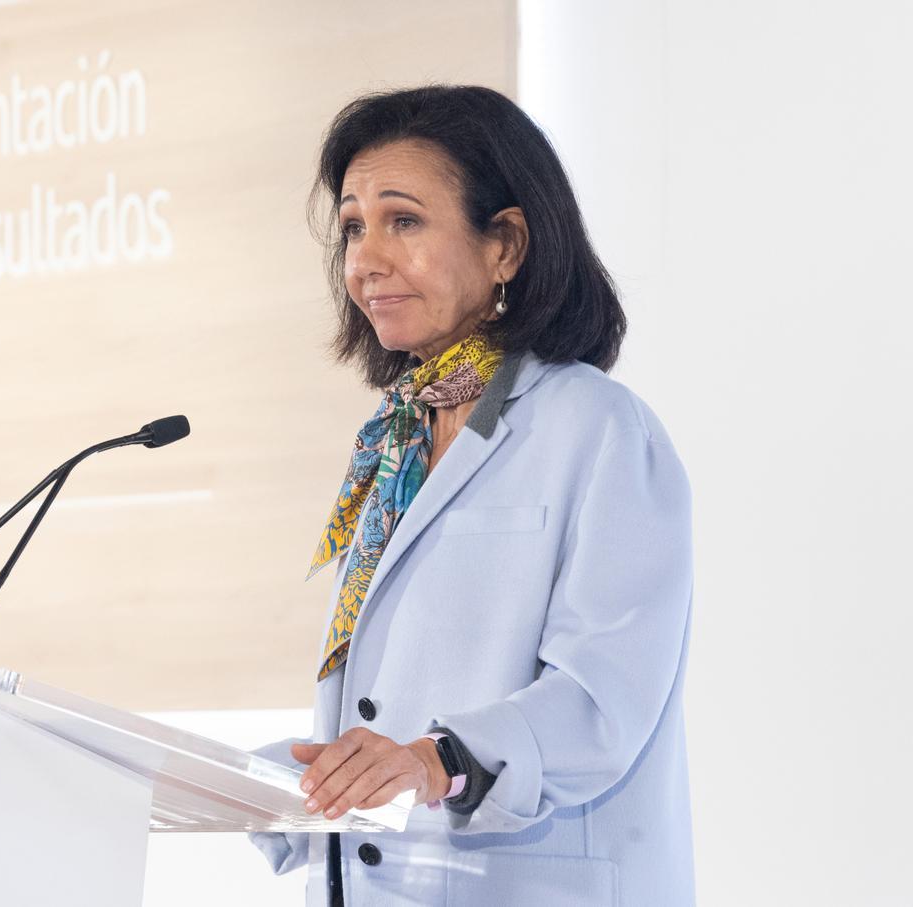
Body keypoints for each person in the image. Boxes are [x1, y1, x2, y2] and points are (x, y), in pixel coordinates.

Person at [249, 85, 695, 907]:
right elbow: (390, 696)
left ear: (506, 245)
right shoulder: (393, 443)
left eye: (403, 221)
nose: (365, 259)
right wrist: (296, 778)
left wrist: (438, 758)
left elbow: (604, 697)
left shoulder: (599, 429)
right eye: (352, 227)